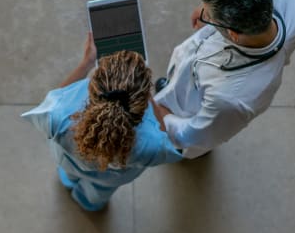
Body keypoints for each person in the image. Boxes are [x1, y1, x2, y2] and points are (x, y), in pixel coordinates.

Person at [151, 0, 295, 158]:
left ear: (233, 34)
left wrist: (161, 115)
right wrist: (208, 8)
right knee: (177, 81)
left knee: (181, 131)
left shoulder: (229, 99)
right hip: (194, 70)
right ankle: (171, 89)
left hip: (193, 110)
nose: (202, 14)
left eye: (208, 16)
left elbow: (194, 135)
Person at [22, 35, 183, 212]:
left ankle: (68, 181)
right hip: (110, 179)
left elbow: (55, 98)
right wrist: (148, 97)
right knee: (98, 193)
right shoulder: (152, 145)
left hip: (69, 162)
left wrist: (86, 63)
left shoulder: (60, 116)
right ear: (140, 105)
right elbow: (164, 137)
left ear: (93, 86)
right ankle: (88, 203)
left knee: (68, 173)